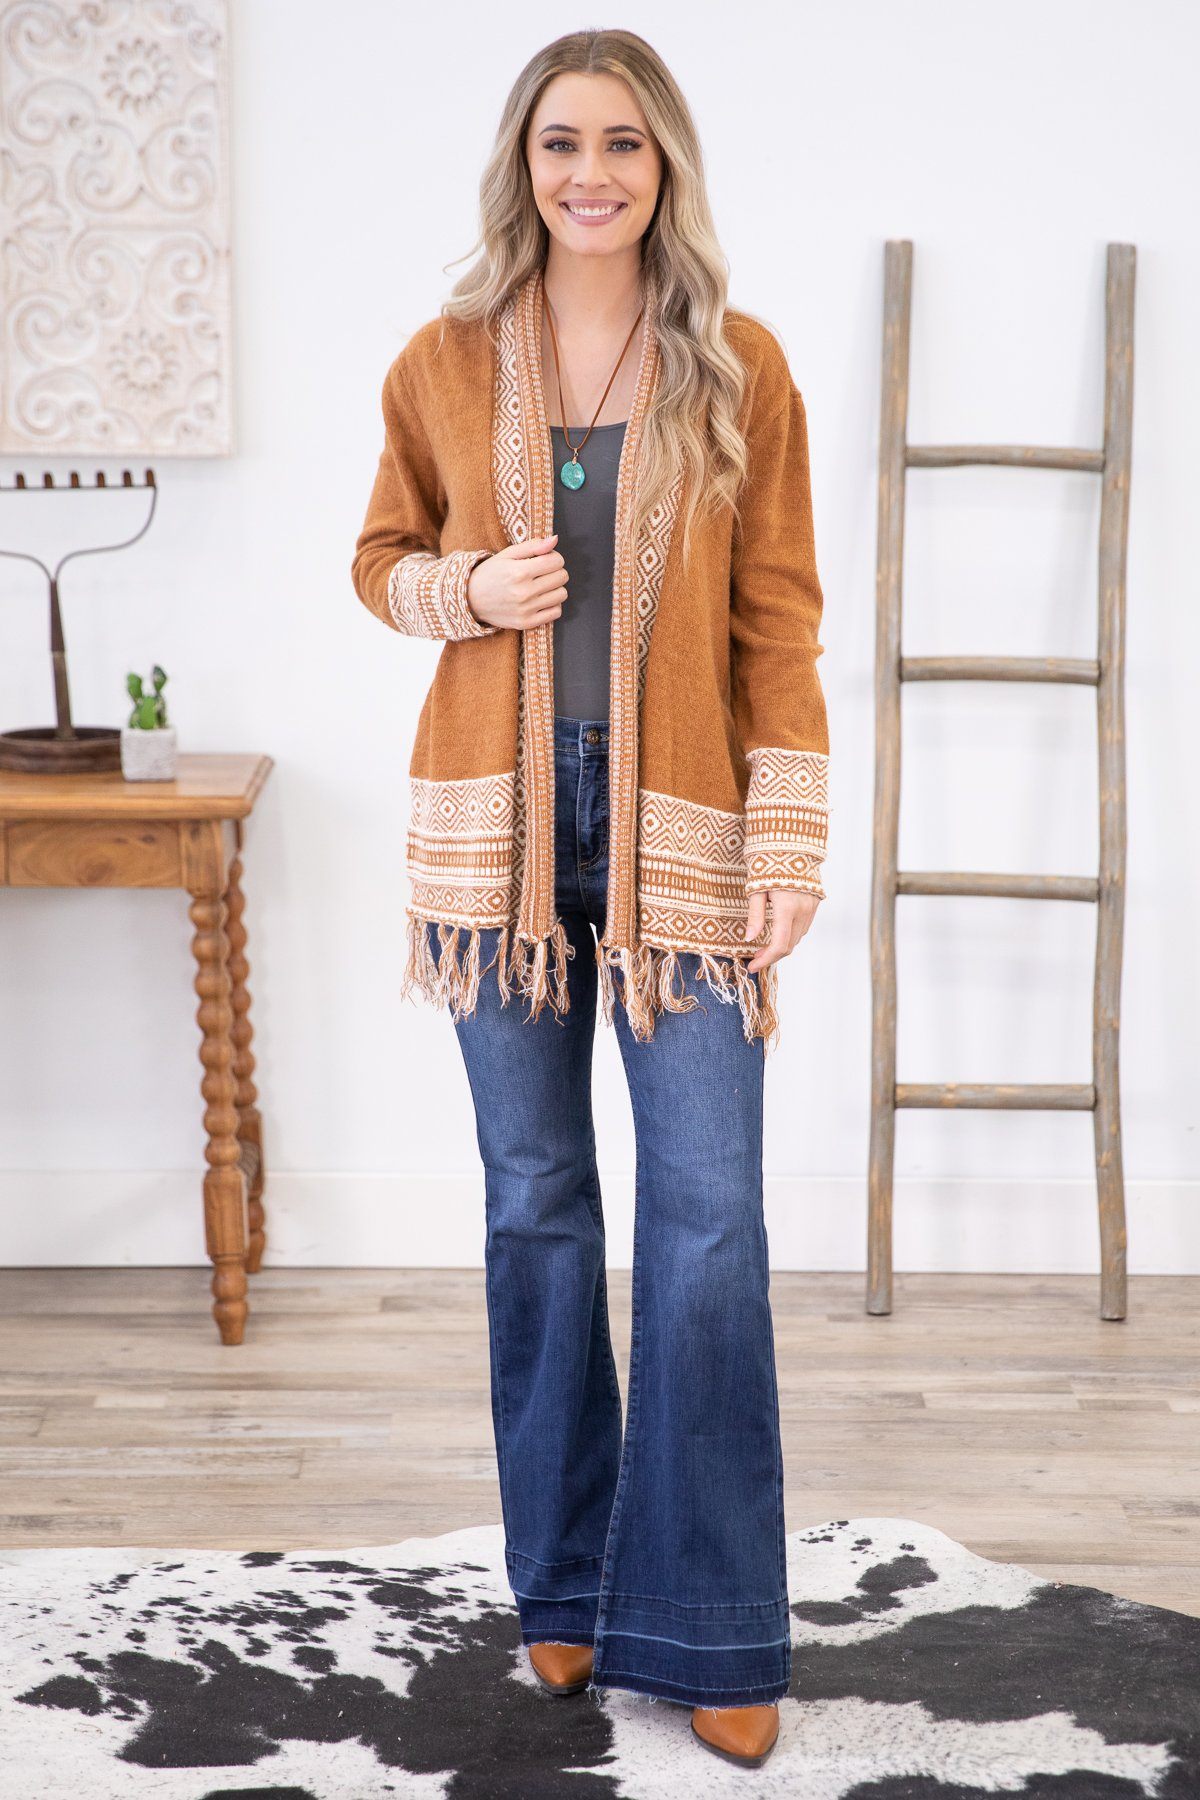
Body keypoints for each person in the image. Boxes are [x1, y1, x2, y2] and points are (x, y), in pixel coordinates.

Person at [351, 26, 830, 1771]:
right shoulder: (442, 359)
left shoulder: (739, 365)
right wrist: (469, 589)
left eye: (624, 144)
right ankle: (561, 1584)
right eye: (563, 143)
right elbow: (378, 560)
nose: (593, 174)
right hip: (493, 835)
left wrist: (790, 840)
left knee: (705, 1219)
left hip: (680, 825)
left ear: (664, 164)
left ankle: (709, 1624)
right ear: (524, 165)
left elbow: (779, 622)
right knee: (537, 1203)